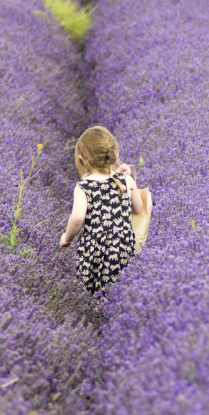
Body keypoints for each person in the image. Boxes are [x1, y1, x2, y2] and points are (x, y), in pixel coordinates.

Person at [59, 125, 144, 296]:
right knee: (122, 289)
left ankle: (96, 312)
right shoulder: (126, 181)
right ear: (115, 155)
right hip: (123, 246)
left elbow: (77, 218)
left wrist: (67, 237)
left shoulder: (84, 185)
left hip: (94, 249)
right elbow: (138, 208)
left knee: (94, 293)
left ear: (82, 159)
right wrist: (129, 179)